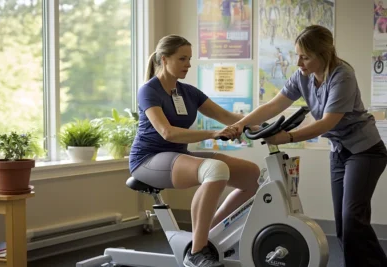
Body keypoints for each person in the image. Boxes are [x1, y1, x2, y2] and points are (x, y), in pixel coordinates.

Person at [232, 25, 387, 267]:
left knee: (353, 218)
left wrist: (288, 137)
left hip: (365, 150)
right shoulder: (302, 77)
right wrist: (240, 124)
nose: (298, 62)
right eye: (297, 55)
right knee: (343, 223)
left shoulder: (342, 75)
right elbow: (273, 106)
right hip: (339, 151)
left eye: (305, 57)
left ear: (323, 54)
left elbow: (327, 123)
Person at [129, 34, 260, 267]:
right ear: (164, 59)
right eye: (182, 59)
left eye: (189, 59)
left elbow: (227, 117)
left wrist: (263, 126)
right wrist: (212, 134)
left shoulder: (188, 92)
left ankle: (207, 236)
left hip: (178, 156)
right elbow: (167, 133)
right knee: (216, 169)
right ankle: (197, 253)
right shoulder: (149, 90)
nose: (188, 64)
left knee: (252, 174)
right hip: (148, 159)